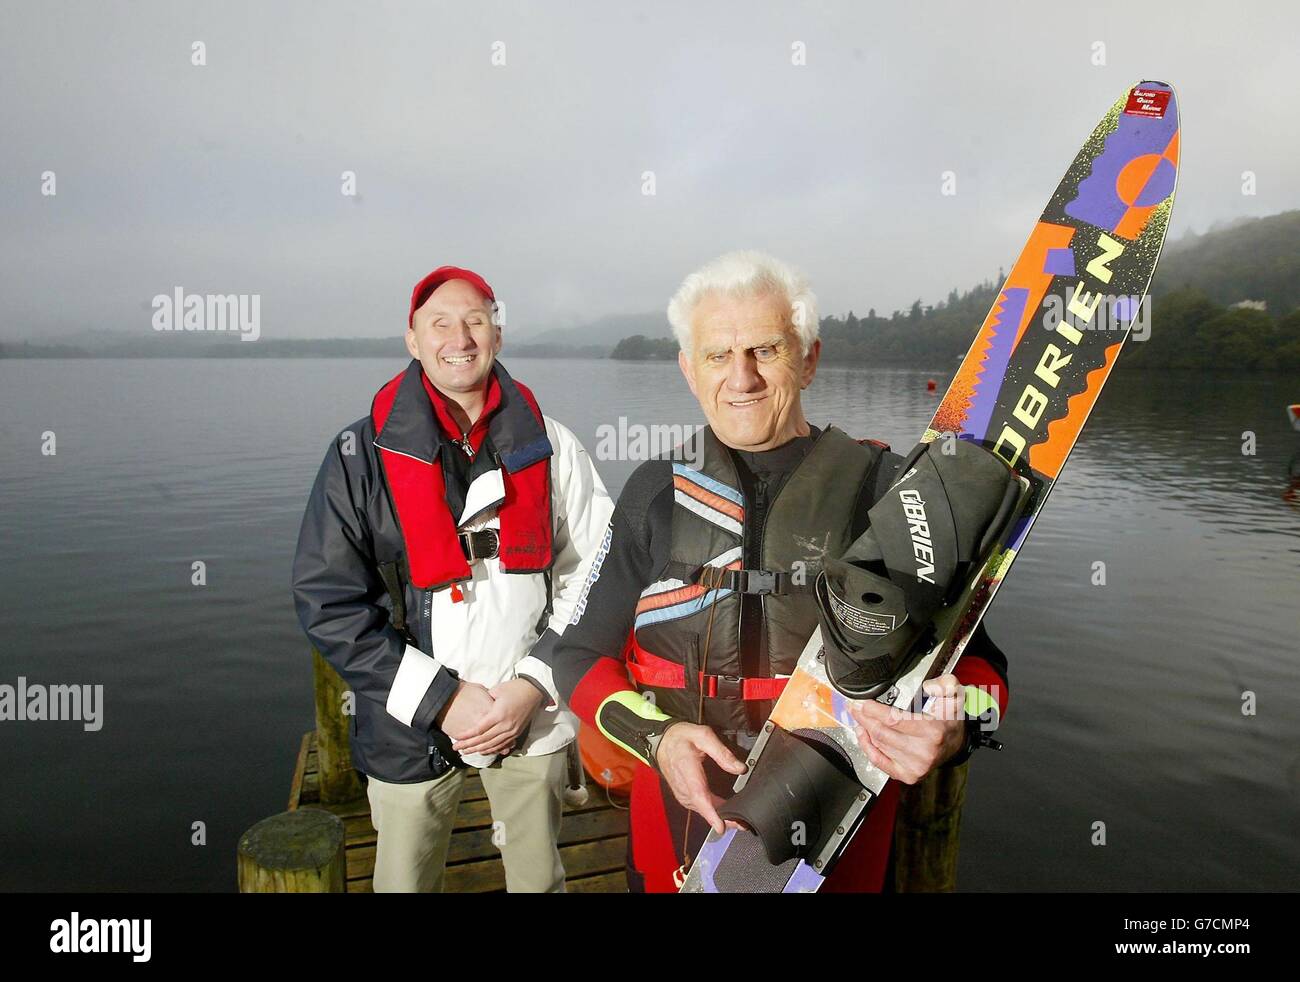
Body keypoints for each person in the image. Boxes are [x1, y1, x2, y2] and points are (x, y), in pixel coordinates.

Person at [543, 251, 1009, 892]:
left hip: (833, 843)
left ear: (810, 358)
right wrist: (658, 739)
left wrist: (955, 729)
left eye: (766, 350)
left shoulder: (892, 493)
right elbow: (573, 655)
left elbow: (986, 678)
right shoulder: (653, 492)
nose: (742, 377)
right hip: (675, 832)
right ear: (687, 369)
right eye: (716, 355)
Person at [292, 265, 613, 892]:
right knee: (404, 882)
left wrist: (535, 680)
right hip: (407, 721)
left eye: (475, 320)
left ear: (497, 333)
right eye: (439, 324)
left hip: (532, 709)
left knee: (538, 878)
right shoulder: (359, 457)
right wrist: (441, 698)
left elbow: (597, 569)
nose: (459, 338)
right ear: (413, 340)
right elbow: (328, 599)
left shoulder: (552, 446)